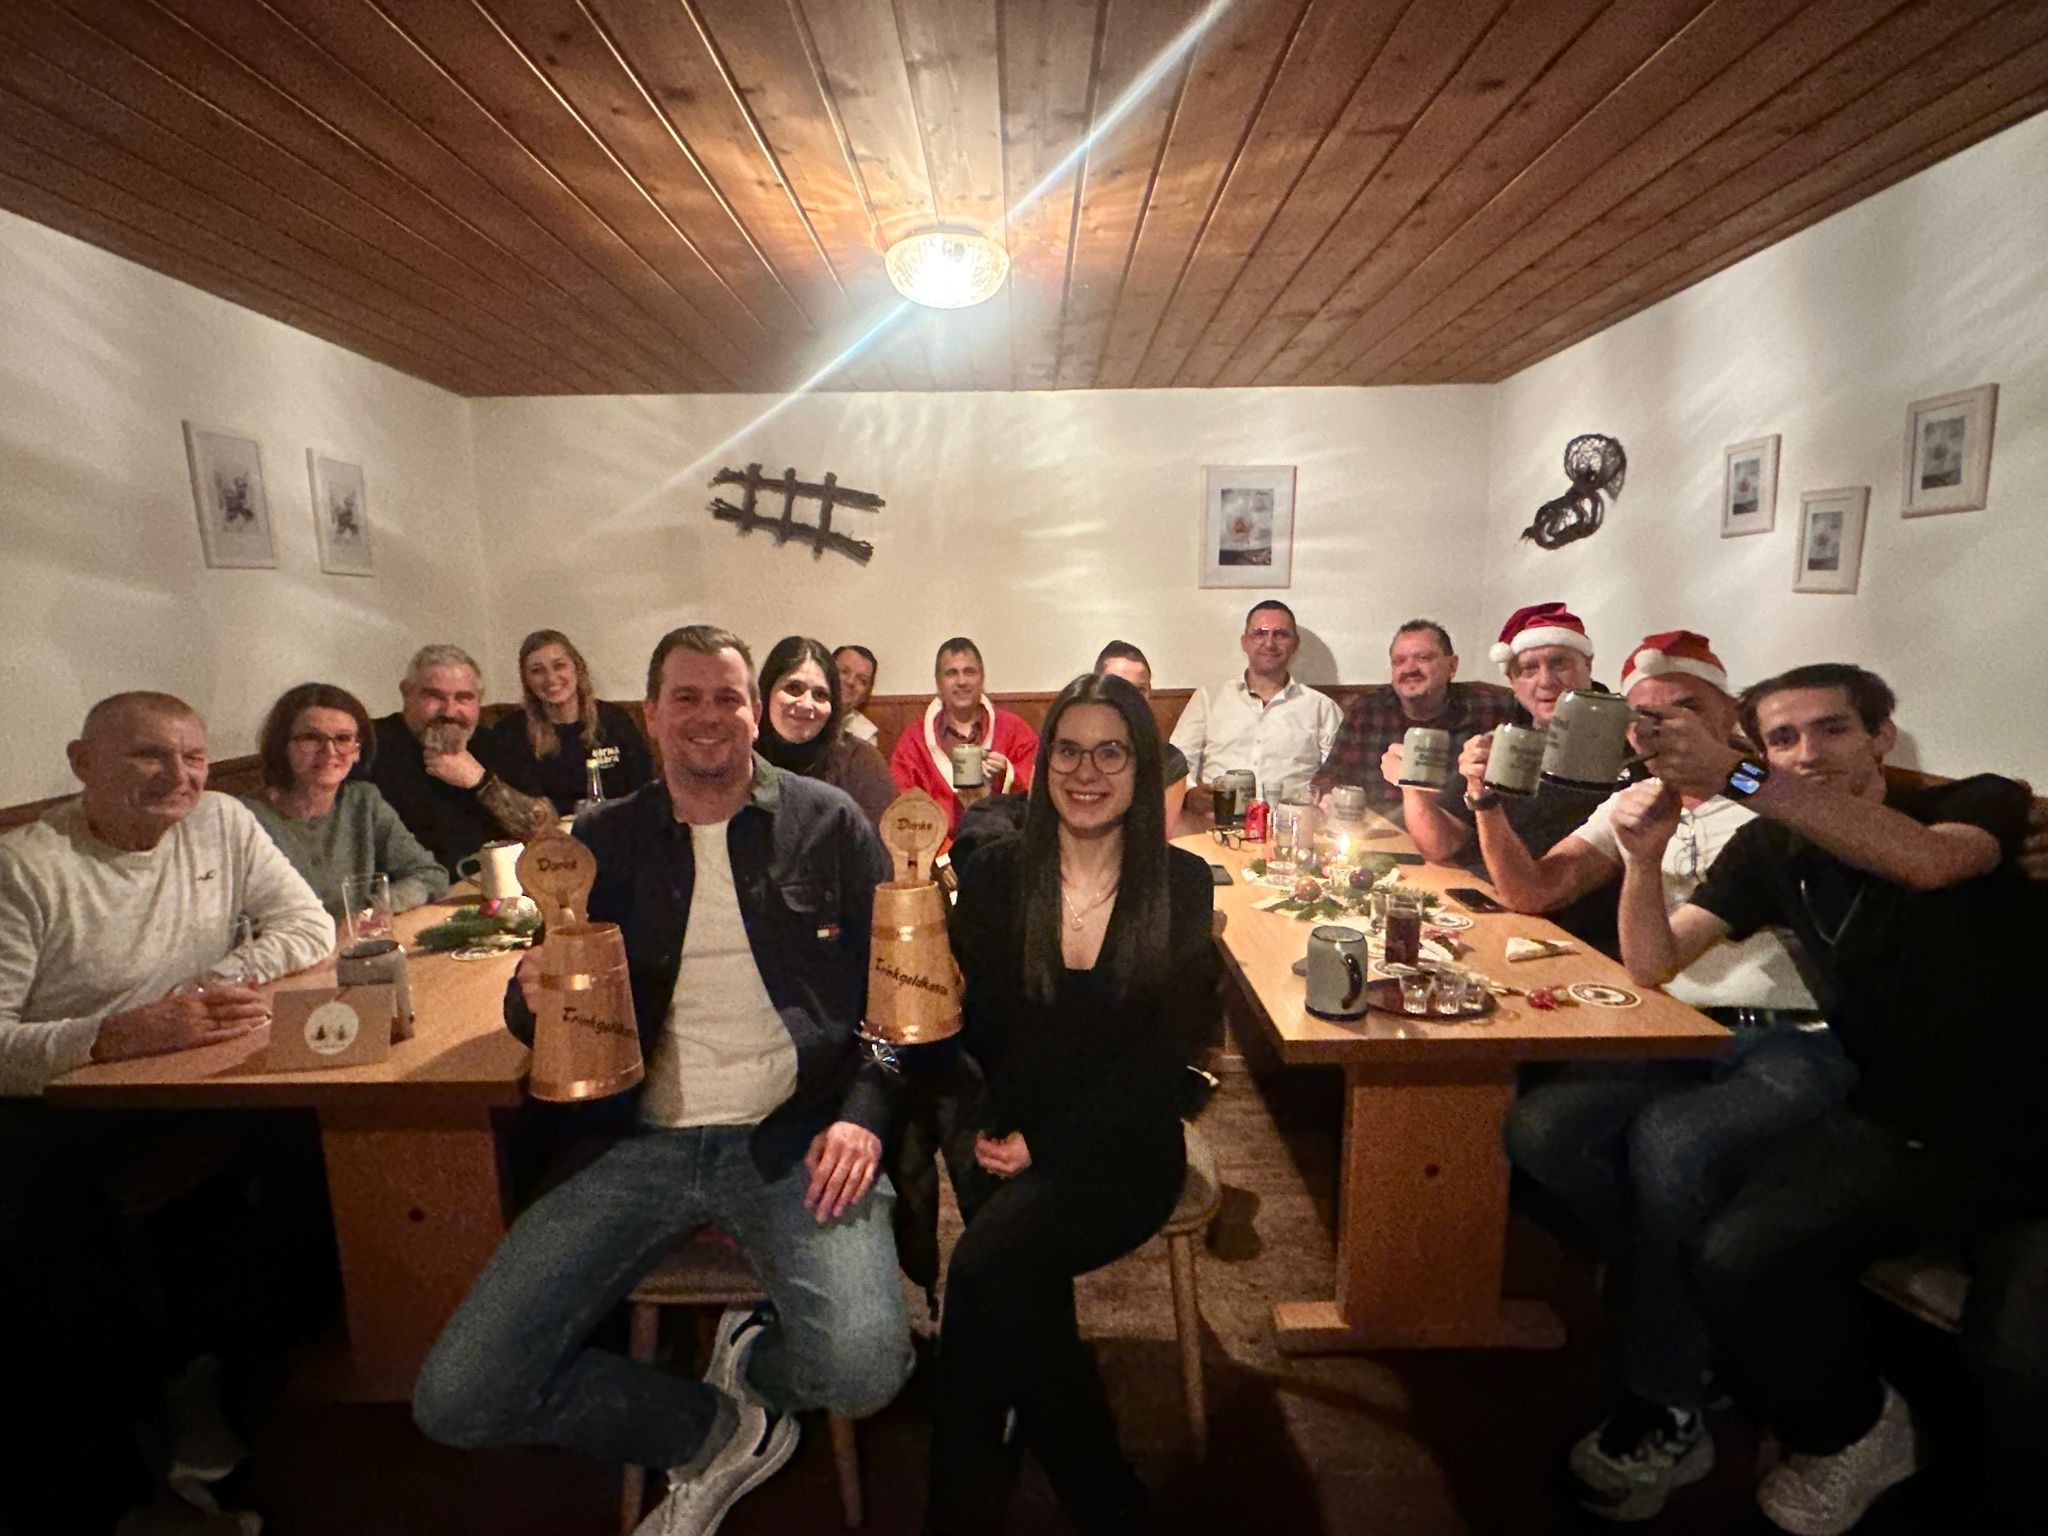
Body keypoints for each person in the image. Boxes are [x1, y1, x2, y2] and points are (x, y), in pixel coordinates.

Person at [412, 625, 908, 1536]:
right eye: (687, 698)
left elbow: (902, 1001)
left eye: (728, 697)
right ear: (650, 716)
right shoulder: (600, 842)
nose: (710, 717)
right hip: (637, 1139)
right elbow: (548, 1018)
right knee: (457, 1395)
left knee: (868, 1370)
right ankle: (718, 1426)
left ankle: (758, 1362)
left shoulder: (827, 821)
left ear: (756, 713)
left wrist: (868, 1110)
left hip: (795, 1137)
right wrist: (532, 1000)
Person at [1610, 663, 2044, 1535]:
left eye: (1833, 729)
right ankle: (1853, 1431)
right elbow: (1653, 962)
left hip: (2029, 1137)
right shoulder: (1775, 848)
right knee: (1733, 1256)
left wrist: (1736, 774)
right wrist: (1643, 857)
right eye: (1781, 738)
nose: (1807, 754)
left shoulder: (1976, 802)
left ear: (1882, 736)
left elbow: (1926, 864)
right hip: (1900, 1128)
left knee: (2019, 1363)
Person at [1492, 633, 1854, 1521]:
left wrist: (1730, 769)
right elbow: (1535, 892)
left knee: (1671, 1142)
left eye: (1684, 708)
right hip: (1672, 1030)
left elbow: (1849, 824)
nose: (1662, 729)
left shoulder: (1777, 798)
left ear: (1731, 717)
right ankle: (1674, 1290)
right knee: (1537, 1128)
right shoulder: (1640, 801)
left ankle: (1667, 1398)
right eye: (1646, 715)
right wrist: (1487, 802)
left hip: (1790, 1038)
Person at [0, 692, 333, 1535]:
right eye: (149, 755)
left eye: (191, 756)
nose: (178, 776)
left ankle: (221, 1388)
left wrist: (212, 985)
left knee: (309, 1150)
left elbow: (307, 925)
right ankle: (117, 1494)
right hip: (48, 1106)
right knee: (56, 1256)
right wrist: (111, 1038)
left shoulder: (221, 820)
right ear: (82, 763)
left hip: (184, 1071)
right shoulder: (25, 866)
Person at [926, 672, 1220, 1535]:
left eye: (1111, 752)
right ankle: (1100, 1489)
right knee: (1012, 1285)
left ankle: (977, 1508)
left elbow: (1163, 1061)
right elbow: (974, 1029)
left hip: (1120, 1143)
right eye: (1068, 749)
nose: (1086, 771)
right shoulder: (992, 874)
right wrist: (999, 1123)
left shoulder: (1183, 882)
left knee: (981, 1273)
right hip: (1008, 1122)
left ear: (1139, 768)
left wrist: (1046, 1143)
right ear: (1041, 759)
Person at [1403, 601, 1619, 949]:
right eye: (1528, 669)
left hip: (1567, 932)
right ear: (1513, 682)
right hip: (1484, 905)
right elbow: (1440, 843)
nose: (1546, 680)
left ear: (1588, 666)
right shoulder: (1509, 739)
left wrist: (1485, 801)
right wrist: (1415, 783)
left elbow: (1538, 893)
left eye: (1559, 663)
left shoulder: (1621, 742)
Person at [241, 682, 449, 923]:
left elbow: (430, 875)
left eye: (343, 738)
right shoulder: (246, 818)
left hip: (362, 947)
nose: (329, 750)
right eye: (311, 738)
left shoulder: (363, 801)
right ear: (283, 746)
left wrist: (370, 912)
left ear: (357, 750)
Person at [365, 644, 553, 874]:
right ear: (406, 692)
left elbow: (547, 829)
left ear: (479, 700)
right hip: (413, 895)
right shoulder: (368, 747)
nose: (450, 711)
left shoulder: (496, 743)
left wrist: (481, 782)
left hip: (494, 890)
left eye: (464, 698)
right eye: (434, 696)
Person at [1308, 619, 1515, 824]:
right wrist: (1326, 796)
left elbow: (1514, 799)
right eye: (1399, 661)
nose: (1409, 669)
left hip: (1460, 835)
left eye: (1423, 658)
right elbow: (1330, 776)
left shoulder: (1491, 711)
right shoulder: (1367, 710)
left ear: (1452, 666)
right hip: (1379, 835)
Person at [1169, 601, 1340, 808]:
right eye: (1260, 633)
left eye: (1280, 634)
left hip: (1290, 827)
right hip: (1215, 824)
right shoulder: (1208, 699)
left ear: (1295, 644)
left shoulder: (1321, 708)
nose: (1269, 643)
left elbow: (1339, 774)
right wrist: (1189, 794)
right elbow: (1177, 761)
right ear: (1245, 642)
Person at [480, 629, 654, 817]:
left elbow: (644, 791)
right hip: (552, 838)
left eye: (559, 665)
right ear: (526, 680)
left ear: (577, 668)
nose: (551, 678)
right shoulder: (511, 731)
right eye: (537, 671)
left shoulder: (615, 720)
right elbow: (522, 808)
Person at [887, 637, 1039, 833]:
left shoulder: (1015, 731)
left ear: (982, 678)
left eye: (969, 672)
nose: (961, 681)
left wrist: (1007, 774)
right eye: (951, 673)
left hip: (1003, 849)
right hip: (937, 854)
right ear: (938, 683)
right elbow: (903, 809)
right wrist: (941, 857)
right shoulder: (913, 742)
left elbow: (1039, 790)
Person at [755, 636, 897, 826]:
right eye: (793, 688)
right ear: (767, 691)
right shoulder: (739, 757)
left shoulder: (861, 762)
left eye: (820, 694)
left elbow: (880, 846)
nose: (806, 704)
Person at [1095, 639, 1191, 833]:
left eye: (1140, 690)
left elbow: (1158, 840)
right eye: (1119, 688)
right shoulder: (1066, 750)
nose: (1131, 698)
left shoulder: (1169, 760)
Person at [833, 644, 882, 747]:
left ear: (866, 694)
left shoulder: (865, 735)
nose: (850, 681)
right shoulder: (802, 712)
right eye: (844, 671)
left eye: (862, 680)